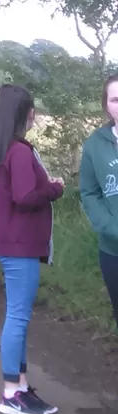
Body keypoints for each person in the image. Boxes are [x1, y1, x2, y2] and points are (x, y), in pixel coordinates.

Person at [0, 82, 64, 414]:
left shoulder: (2, 148)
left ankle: (20, 385)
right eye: (32, 109)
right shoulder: (18, 152)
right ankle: (10, 393)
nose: (35, 115)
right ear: (25, 113)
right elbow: (26, 195)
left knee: (19, 317)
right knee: (17, 317)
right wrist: (55, 188)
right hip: (20, 246)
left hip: (14, 243)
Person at [79, 73, 118, 332]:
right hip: (113, 250)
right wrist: (110, 227)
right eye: (115, 99)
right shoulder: (95, 145)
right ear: (106, 105)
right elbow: (90, 193)